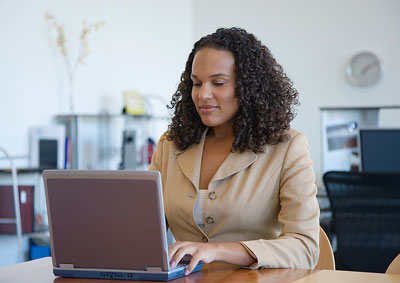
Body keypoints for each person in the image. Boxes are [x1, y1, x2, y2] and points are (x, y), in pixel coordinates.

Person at [149, 27, 320, 275]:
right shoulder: (170, 145)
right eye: (196, 83)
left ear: (249, 87)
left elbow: (305, 249)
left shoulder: (288, 147)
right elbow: (145, 232)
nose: (203, 94)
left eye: (218, 83)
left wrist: (217, 250)